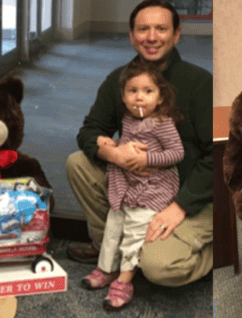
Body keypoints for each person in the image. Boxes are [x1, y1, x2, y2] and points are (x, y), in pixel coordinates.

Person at [65, 0, 213, 288]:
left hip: (189, 195)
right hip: (137, 189)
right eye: (143, 29)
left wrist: (180, 206)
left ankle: (212, 247)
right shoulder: (118, 81)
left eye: (161, 28)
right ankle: (107, 248)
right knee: (78, 163)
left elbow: (219, 154)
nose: (152, 37)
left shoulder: (201, 83)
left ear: (177, 34)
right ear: (132, 37)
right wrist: (114, 154)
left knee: (159, 269)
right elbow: (89, 130)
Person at [81, 60, 185, 310]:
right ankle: (106, 269)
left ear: (160, 98)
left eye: (148, 92)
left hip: (153, 189)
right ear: (124, 97)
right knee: (113, 228)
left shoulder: (163, 123)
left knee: (134, 234)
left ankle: (125, 280)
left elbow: (176, 153)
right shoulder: (128, 120)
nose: (140, 98)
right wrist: (111, 144)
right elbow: (127, 143)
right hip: (127, 187)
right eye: (133, 91)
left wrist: (147, 159)